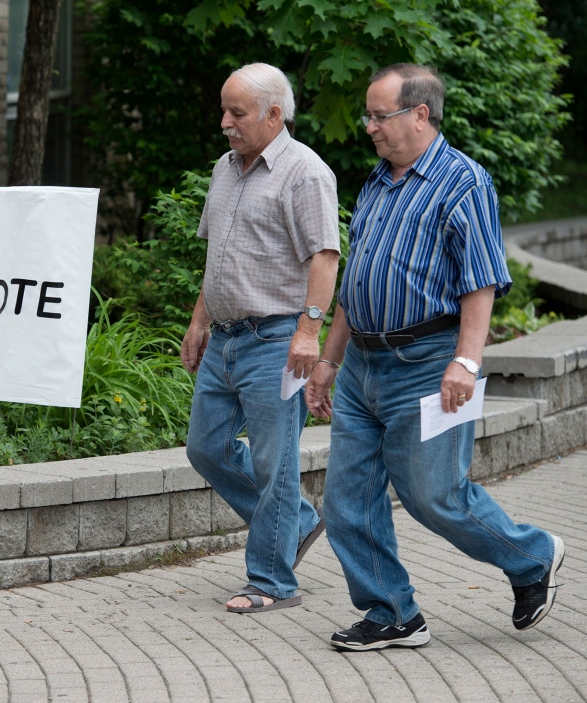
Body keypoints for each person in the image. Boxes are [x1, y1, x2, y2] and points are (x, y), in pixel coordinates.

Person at [307, 63, 564, 652]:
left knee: (434, 495)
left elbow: (481, 283)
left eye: (380, 115)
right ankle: (392, 612)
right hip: (363, 368)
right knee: (347, 498)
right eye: (368, 115)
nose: (369, 126)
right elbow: (357, 281)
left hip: (428, 363)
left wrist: (466, 363)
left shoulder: (463, 182)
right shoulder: (376, 182)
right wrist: (328, 360)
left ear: (419, 115)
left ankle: (532, 556)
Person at [181, 62, 341, 613]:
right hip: (224, 340)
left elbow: (325, 257)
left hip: (277, 340)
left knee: (276, 464)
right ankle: (294, 521)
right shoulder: (226, 169)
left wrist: (308, 331)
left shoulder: (306, 173)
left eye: (237, 112)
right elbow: (216, 257)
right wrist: (199, 321)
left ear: (275, 114)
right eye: (223, 110)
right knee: (205, 448)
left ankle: (272, 581)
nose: (224, 121)